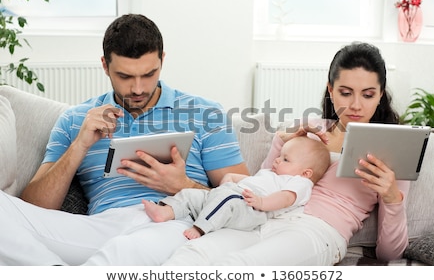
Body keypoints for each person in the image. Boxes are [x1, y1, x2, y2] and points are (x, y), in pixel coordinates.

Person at [0, 14, 249, 266]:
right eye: (125, 77)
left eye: (149, 74)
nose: (138, 89)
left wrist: (182, 185)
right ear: (105, 66)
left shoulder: (205, 114)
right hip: (99, 227)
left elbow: (249, 200)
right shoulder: (75, 120)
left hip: (172, 222)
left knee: (125, 249)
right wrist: (80, 145)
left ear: (162, 60)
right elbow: (35, 206)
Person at [163, 42, 410, 266]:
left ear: (380, 95)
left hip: (317, 231)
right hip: (263, 217)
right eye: (346, 92)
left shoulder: (391, 149)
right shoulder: (307, 128)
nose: (356, 105)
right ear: (331, 90)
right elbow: (262, 185)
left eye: (367, 94)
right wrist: (280, 141)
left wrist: (391, 197)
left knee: (238, 267)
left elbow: (391, 254)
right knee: (192, 254)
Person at [143, 136, 330, 240]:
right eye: (280, 155)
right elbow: (245, 180)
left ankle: (200, 229)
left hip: (253, 210)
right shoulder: (270, 175)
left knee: (228, 199)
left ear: (306, 173)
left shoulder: (299, 182)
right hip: (234, 197)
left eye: (286, 159)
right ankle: (166, 211)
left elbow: (285, 198)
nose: (277, 159)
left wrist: (262, 202)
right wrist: (229, 178)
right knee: (192, 194)